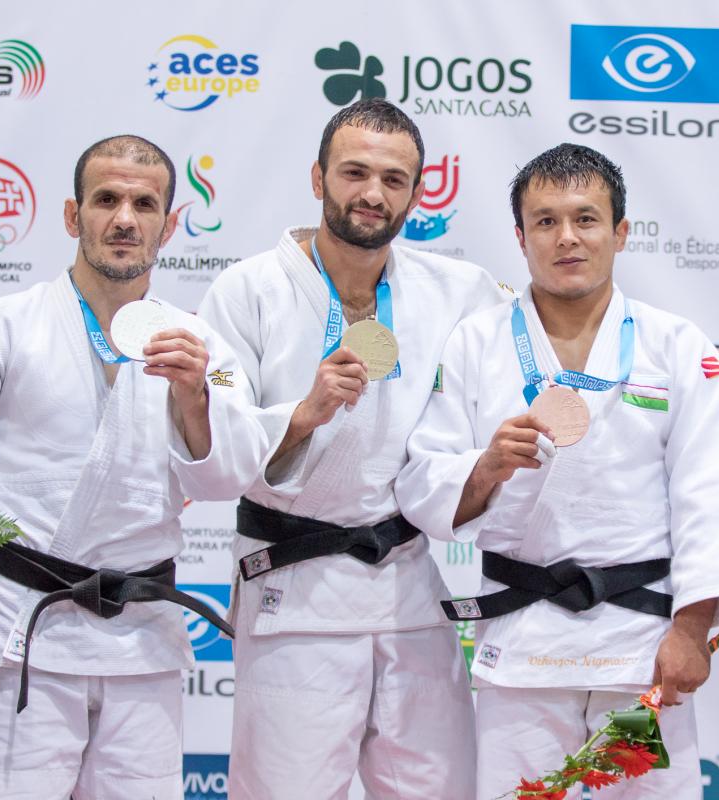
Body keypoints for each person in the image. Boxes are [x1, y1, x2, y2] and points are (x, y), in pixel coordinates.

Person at [0, 135, 283, 799]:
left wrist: (193, 397)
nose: (124, 217)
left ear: (170, 223)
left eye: (143, 202)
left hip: (143, 641)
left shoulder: (197, 345)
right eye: (106, 199)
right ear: (73, 216)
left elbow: (224, 482)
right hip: (26, 632)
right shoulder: (2, 328)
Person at [396, 142, 719, 800]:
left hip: (639, 650)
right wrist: (486, 468)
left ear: (620, 232)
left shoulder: (674, 345)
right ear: (520, 237)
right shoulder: (477, 341)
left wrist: (693, 630)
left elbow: (707, 496)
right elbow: (422, 483)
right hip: (523, 649)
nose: (567, 237)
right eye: (546, 221)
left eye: (586, 219)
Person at [197, 98, 505, 799]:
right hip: (293, 590)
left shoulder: (458, 290)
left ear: (417, 193)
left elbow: (540, 351)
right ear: (317, 178)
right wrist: (302, 416)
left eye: (394, 180)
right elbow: (215, 451)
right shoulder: (247, 291)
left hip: (408, 587)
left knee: (439, 786)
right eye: (355, 172)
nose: (373, 194)